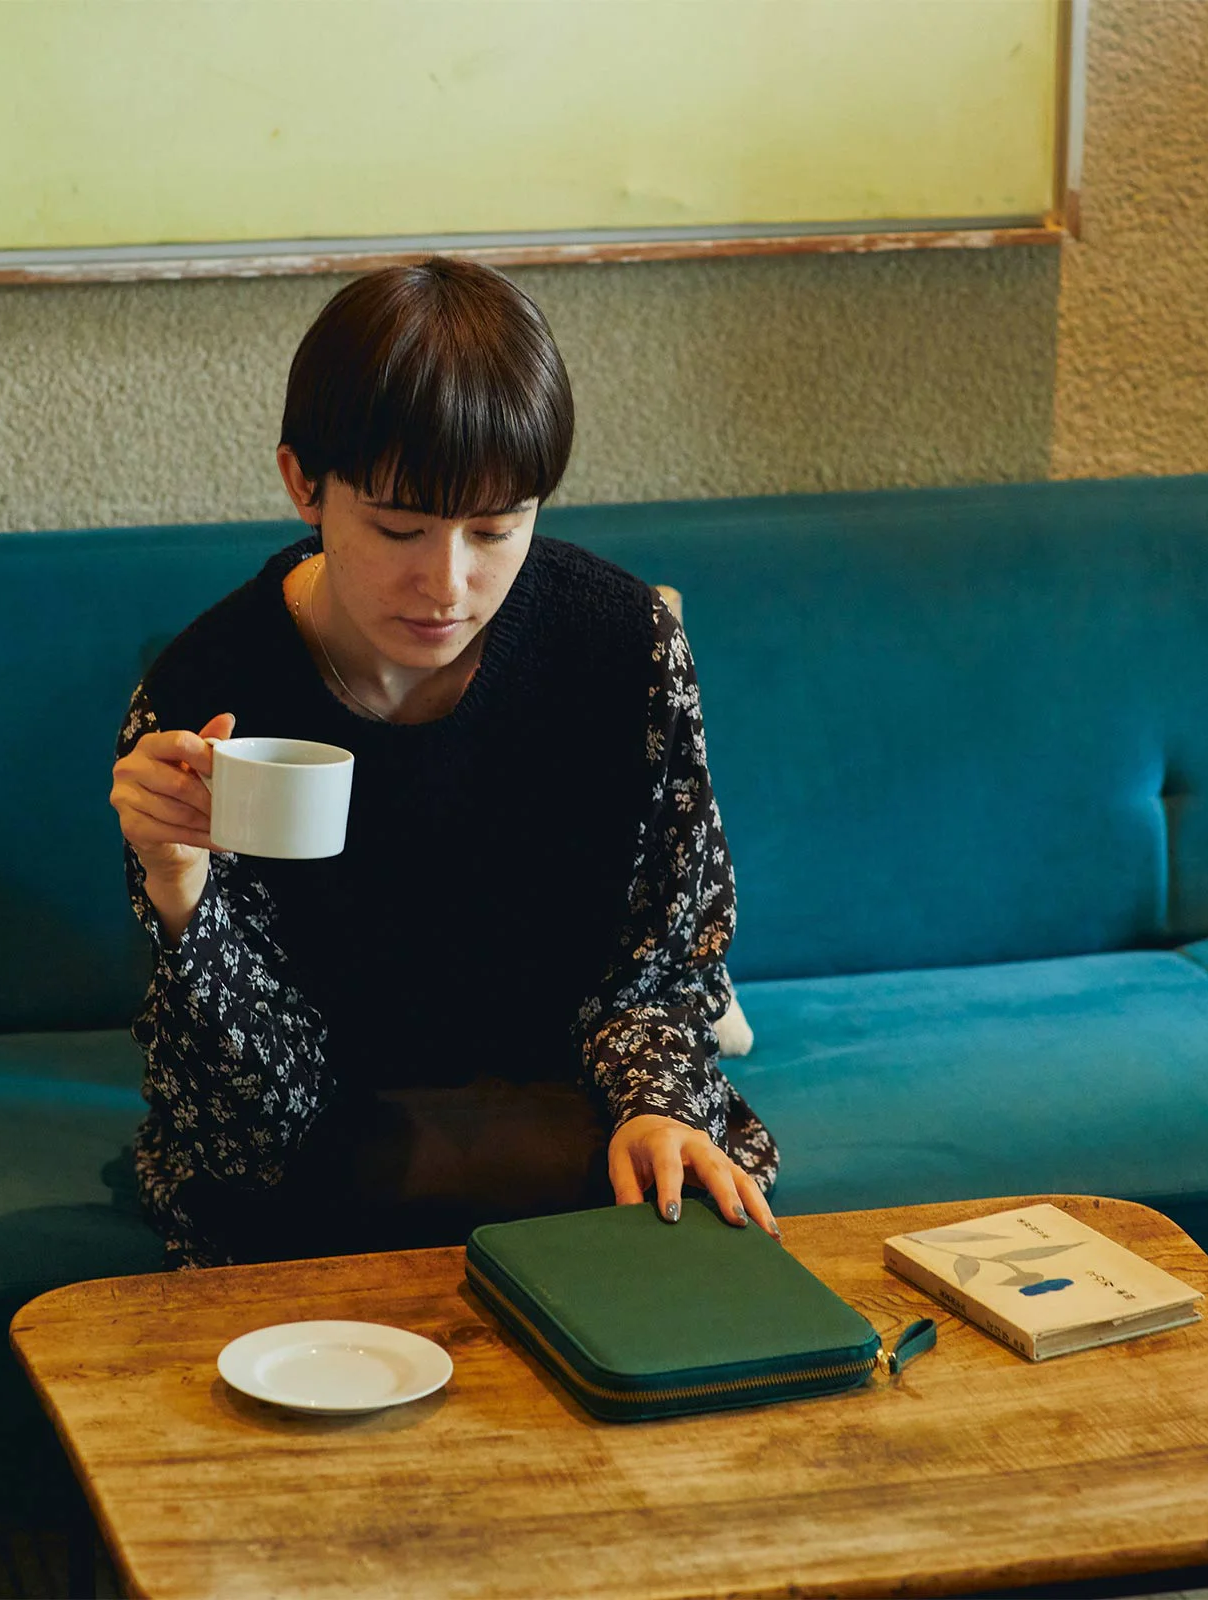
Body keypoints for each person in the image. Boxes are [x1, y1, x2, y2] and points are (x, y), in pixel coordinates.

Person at [109, 256, 779, 1268]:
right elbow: (245, 1122)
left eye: (496, 529)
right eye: (399, 528)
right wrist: (179, 891)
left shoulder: (621, 648)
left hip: (572, 1122)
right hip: (317, 1154)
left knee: (697, 1228)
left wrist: (656, 1109)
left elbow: (663, 960)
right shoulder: (209, 694)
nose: (449, 584)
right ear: (303, 483)